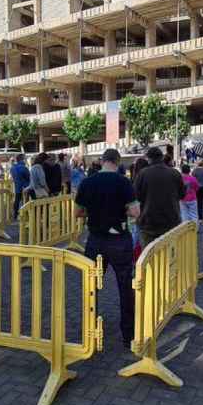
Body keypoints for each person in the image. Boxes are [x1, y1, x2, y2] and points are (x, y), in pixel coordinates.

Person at [74, 148, 140, 349]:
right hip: (119, 240)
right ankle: (128, 335)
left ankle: (89, 330)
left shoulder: (88, 181)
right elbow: (135, 212)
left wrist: (94, 213)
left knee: (90, 286)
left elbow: (77, 212)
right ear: (118, 162)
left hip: (95, 240)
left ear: (102, 161)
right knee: (125, 287)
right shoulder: (124, 182)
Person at [133, 147, 185, 246]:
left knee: (149, 255)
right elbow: (182, 195)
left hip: (149, 222)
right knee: (170, 254)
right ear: (162, 157)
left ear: (149, 159)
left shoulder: (143, 174)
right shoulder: (175, 173)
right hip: (171, 220)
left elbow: (136, 196)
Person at [10, 153, 31, 218]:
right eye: (24, 159)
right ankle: (25, 214)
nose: (25, 160)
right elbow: (28, 177)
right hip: (25, 187)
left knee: (17, 200)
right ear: (22, 159)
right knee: (25, 201)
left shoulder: (13, 168)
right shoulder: (24, 167)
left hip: (17, 186)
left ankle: (15, 214)